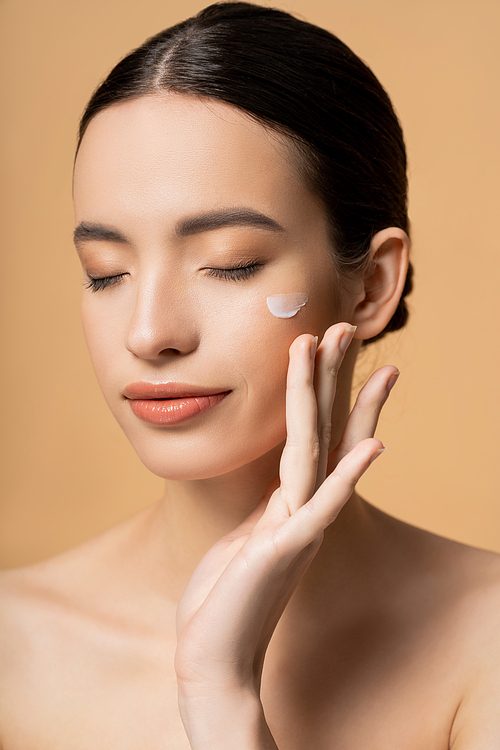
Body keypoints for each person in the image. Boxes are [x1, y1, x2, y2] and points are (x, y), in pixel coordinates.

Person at [0, 2, 499, 747]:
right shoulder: (16, 653)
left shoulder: (482, 640)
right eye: (105, 273)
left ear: (371, 285)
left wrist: (222, 694)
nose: (150, 333)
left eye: (229, 264)